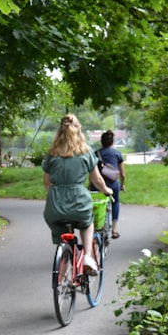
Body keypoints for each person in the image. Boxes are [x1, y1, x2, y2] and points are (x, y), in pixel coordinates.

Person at [42, 114, 113, 272]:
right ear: (79, 131)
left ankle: (63, 257)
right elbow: (98, 181)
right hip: (78, 201)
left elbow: (46, 182)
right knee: (87, 223)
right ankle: (87, 256)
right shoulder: (85, 152)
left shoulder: (52, 153)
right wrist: (107, 190)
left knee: (61, 229)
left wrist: (54, 196)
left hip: (54, 205)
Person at [94, 130, 125, 238]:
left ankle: (98, 226)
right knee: (115, 201)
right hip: (112, 184)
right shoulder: (117, 153)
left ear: (101, 142)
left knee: (97, 203)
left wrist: (90, 184)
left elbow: (92, 172)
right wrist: (122, 185)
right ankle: (114, 230)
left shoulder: (96, 153)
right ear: (112, 142)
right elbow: (122, 174)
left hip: (97, 184)